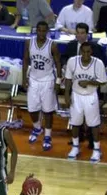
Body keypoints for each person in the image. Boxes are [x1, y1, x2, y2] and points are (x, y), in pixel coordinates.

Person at [64, 42, 107, 163]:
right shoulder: (72, 61)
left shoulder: (98, 63)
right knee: (75, 122)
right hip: (76, 95)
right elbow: (68, 79)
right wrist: (66, 94)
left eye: (88, 52)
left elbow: (103, 81)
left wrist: (88, 82)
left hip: (91, 96)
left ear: (91, 52)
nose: (86, 54)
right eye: (84, 52)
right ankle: (75, 147)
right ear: (80, 52)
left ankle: (97, 149)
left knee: (94, 124)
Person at [23, 20, 62, 151]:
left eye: (44, 30)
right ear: (36, 30)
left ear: (47, 32)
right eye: (39, 30)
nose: (41, 33)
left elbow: (58, 63)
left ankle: (48, 136)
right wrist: (24, 78)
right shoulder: (29, 42)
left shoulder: (52, 45)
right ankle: (37, 128)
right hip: (33, 79)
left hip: (47, 80)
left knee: (48, 111)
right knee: (32, 109)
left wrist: (58, 81)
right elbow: (25, 60)